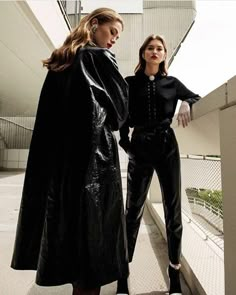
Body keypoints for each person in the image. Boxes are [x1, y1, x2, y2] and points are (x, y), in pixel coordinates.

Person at [11, 7, 129, 295]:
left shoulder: (61, 60)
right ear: (94, 25)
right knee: (93, 248)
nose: (114, 39)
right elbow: (119, 114)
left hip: (61, 167)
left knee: (71, 241)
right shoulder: (99, 57)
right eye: (112, 31)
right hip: (94, 164)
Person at [117, 34, 201, 295]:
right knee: (133, 212)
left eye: (160, 49)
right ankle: (123, 275)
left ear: (164, 55)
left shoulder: (172, 83)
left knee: (173, 210)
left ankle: (173, 271)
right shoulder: (129, 83)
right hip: (139, 146)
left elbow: (195, 96)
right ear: (143, 53)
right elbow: (120, 114)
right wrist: (125, 143)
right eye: (150, 48)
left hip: (167, 146)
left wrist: (186, 102)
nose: (155, 52)